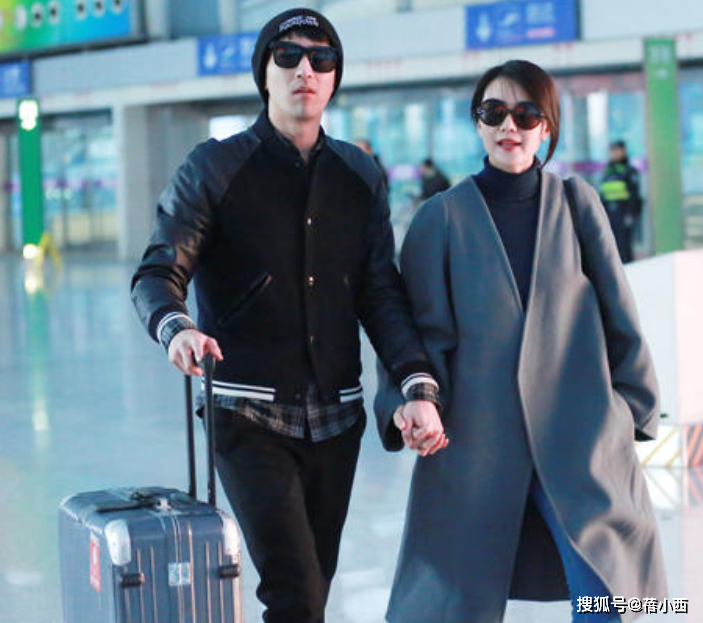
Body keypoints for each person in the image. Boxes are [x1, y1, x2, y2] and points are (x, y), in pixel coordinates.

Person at [130, 8, 445, 623]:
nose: (306, 70)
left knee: (312, 593)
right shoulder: (215, 167)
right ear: (265, 73)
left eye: (322, 59)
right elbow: (158, 272)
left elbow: (380, 293)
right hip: (247, 414)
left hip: (337, 419)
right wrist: (177, 328)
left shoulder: (358, 174)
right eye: (289, 56)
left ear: (334, 78)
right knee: (294, 590)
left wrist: (415, 384)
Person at [375, 59, 666, 623]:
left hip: (579, 439)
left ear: (546, 126)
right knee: (452, 604)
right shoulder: (440, 218)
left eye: (526, 113)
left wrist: (627, 412)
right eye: (494, 112)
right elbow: (417, 335)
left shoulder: (578, 204)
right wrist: (410, 404)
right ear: (477, 123)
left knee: (611, 598)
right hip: (475, 445)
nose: (509, 125)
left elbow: (618, 314)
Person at [599, 140, 643, 263]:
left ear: (623, 151)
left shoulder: (629, 171)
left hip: (623, 214)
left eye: (616, 151)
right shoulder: (608, 171)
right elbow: (603, 195)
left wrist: (631, 214)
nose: (613, 154)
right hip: (610, 214)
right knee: (611, 247)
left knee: (624, 247)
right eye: (611, 151)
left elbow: (634, 195)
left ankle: (628, 269)